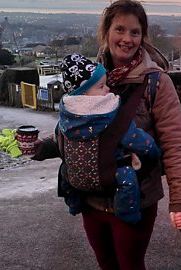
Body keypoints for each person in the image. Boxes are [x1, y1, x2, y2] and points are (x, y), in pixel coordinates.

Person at [32, 1, 181, 269]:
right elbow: (74, 133)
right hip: (92, 199)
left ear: (143, 36)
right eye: (120, 29)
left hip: (136, 199)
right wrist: (42, 147)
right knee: (106, 264)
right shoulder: (89, 78)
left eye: (135, 32)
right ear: (106, 32)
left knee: (130, 265)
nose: (127, 39)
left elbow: (175, 144)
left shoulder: (156, 83)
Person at [58, 53, 161, 224]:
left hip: (76, 178)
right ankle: (127, 215)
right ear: (83, 93)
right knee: (127, 178)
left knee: (64, 170)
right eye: (101, 86)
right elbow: (139, 141)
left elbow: (58, 141)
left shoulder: (66, 117)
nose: (108, 89)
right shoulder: (111, 117)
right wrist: (156, 153)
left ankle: (73, 203)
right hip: (107, 177)